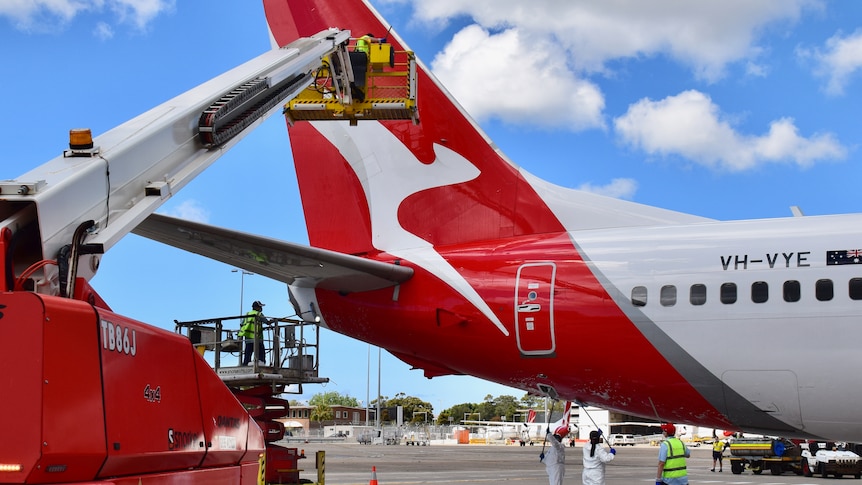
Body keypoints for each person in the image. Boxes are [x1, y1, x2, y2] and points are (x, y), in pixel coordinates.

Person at [240, 300, 267, 366]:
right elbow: (267, 322)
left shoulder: (247, 314)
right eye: (260, 307)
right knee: (261, 355)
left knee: (247, 354)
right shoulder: (259, 314)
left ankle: (245, 365)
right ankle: (261, 364)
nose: (261, 309)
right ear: (257, 307)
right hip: (257, 339)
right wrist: (271, 321)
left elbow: (241, 324)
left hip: (248, 339)